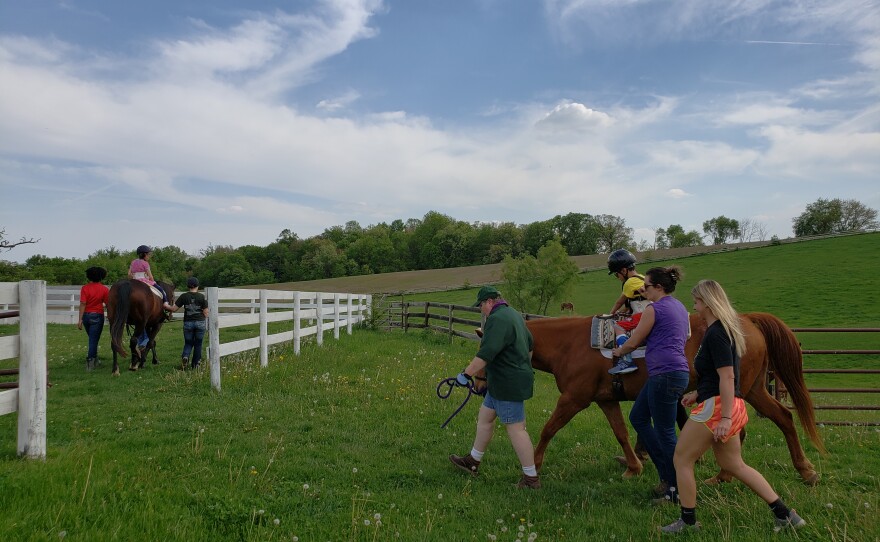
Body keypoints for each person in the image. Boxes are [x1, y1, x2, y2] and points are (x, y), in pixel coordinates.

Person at [661, 280, 807, 534]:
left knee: (682, 459)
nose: (694, 307)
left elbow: (728, 377)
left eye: (696, 301)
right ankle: (785, 514)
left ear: (708, 302)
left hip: (719, 409)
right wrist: (698, 393)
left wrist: (725, 418)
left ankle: (688, 522)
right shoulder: (725, 331)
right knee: (734, 465)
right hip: (730, 404)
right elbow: (720, 377)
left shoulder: (716, 334)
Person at [612, 266, 690, 504]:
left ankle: (674, 487)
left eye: (645, 286)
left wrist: (619, 350)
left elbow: (634, 341)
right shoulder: (679, 307)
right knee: (638, 416)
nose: (642, 290)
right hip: (673, 372)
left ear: (658, 287)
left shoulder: (653, 309)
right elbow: (684, 336)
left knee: (666, 432)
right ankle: (669, 476)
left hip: (664, 374)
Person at [448, 286, 540, 489]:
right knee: (486, 417)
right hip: (501, 381)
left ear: (489, 301)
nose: (481, 309)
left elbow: (485, 353)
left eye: (481, 305)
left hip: (507, 383)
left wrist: (465, 375)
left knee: (517, 429)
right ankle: (472, 461)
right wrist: (521, 365)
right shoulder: (513, 314)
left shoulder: (497, 319)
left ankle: (531, 479)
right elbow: (531, 345)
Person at [607, 249, 648, 375]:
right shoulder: (642, 278)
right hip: (646, 310)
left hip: (643, 315)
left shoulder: (629, 282)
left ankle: (627, 360)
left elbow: (619, 302)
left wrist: (611, 314)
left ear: (624, 271)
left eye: (616, 274)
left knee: (618, 326)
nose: (617, 277)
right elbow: (631, 303)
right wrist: (621, 313)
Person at [129, 245, 175, 354]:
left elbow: (129, 275)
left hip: (134, 281)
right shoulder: (145, 263)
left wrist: (134, 279)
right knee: (161, 290)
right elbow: (151, 277)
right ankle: (166, 305)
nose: (149, 256)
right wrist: (150, 281)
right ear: (144, 254)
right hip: (145, 281)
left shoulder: (133, 262)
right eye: (148, 254)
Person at [167, 276, 209, 370]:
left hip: (188, 323)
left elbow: (173, 309)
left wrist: (165, 305)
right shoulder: (201, 297)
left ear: (188, 286)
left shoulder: (184, 296)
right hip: (200, 323)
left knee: (188, 343)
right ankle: (196, 364)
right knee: (198, 344)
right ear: (197, 285)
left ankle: (185, 357)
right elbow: (206, 313)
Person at [77, 266, 109, 371]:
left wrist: (80, 319)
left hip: (86, 316)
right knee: (93, 340)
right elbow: (108, 304)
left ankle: (95, 359)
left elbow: (83, 303)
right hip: (97, 316)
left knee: (92, 338)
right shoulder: (104, 289)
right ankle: (90, 362)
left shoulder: (85, 288)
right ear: (101, 277)